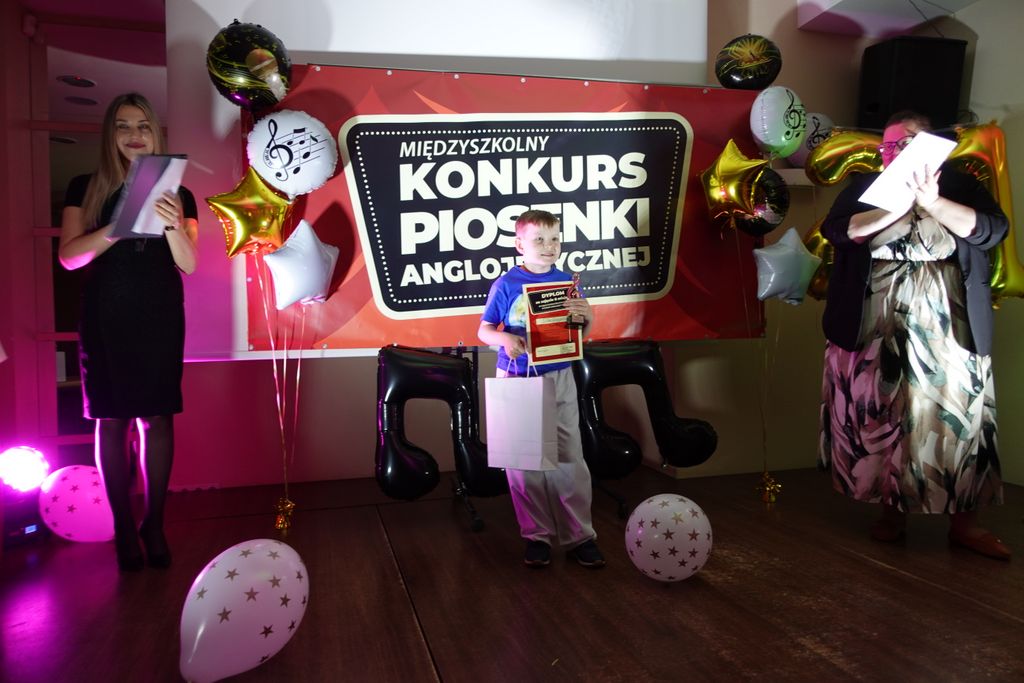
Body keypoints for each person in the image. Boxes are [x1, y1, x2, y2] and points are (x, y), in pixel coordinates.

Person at [819, 111, 1010, 560]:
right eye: (888, 145)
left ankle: (965, 525)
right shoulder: (867, 187)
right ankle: (891, 513)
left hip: (948, 327)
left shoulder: (962, 184)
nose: (894, 152)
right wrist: (895, 206)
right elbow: (839, 231)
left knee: (956, 420)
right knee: (885, 416)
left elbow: (991, 231)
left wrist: (933, 201)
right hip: (875, 324)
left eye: (905, 142)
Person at [58, 93, 198, 571]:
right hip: (106, 315)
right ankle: (122, 526)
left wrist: (173, 223)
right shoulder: (85, 186)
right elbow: (69, 257)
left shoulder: (180, 193)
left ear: (156, 133)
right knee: (112, 419)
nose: (134, 134)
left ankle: (153, 523)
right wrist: (119, 225)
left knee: (158, 418)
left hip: (159, 313)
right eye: (123, 125)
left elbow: (189, 264)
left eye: (143, 125)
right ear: (110, 134)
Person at [478, 209, 605, 568]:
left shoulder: (566, 281)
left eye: (554, 239)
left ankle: (580, 536)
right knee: (524, 462)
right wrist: (504, 338)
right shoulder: (506, 284)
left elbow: (578, 334)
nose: (549, 246)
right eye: (539, 239)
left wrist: (588, 317)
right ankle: (536, 536)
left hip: (559, 375)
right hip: (517, 376)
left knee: (570, 457)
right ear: (520, 245)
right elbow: (484, 330)